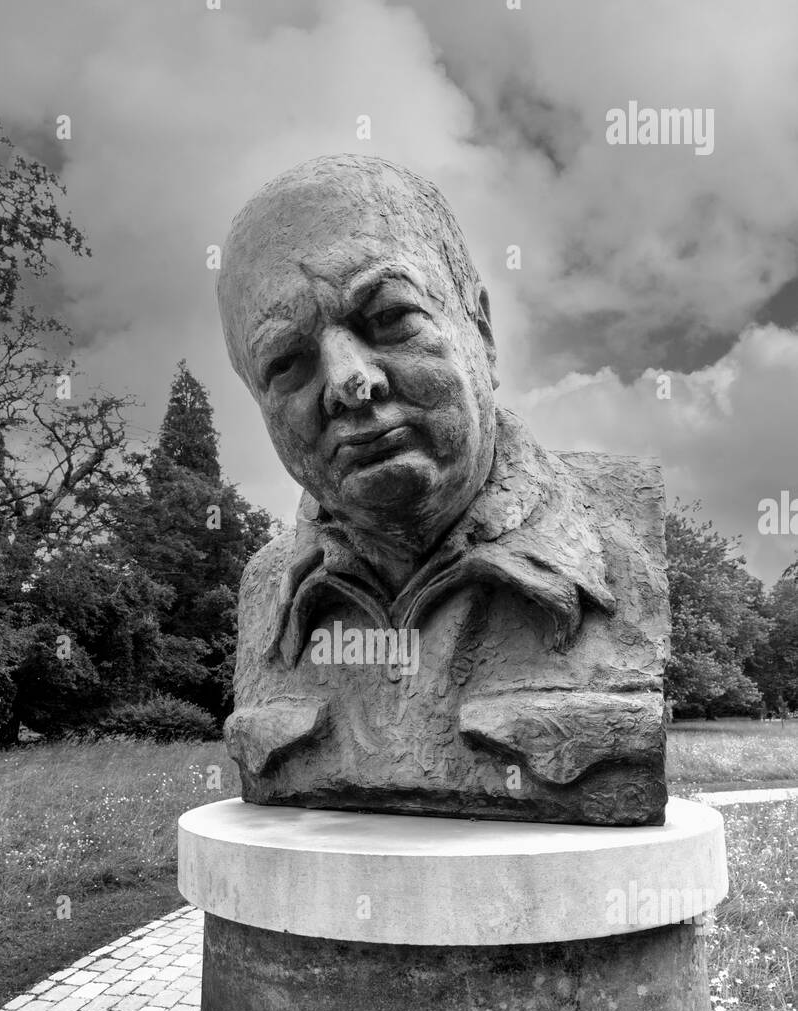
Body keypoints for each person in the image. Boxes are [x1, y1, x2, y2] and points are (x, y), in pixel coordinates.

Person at [217, 155, 669, 825]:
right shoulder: (267, 595)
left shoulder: (625, 549)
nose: (348, 381)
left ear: (480, 331)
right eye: (287, 363)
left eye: (391, 317)